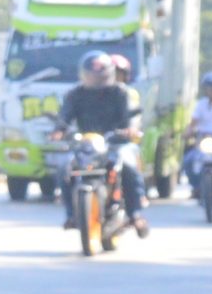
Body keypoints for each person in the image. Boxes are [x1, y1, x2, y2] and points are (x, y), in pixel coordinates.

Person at [53, 49, 148, 235]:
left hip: (116, 142)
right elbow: (64, 116)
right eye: (91, 76)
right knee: (64, 167)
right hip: (87, 144)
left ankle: (135, 214)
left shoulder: (121, 93)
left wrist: (129, 129)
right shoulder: (75, 94)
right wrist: (59, 130)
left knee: (128, 166)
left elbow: (131, 115)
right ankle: (71, 215)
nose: (96, 80)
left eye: (100, 76)